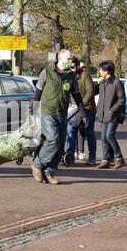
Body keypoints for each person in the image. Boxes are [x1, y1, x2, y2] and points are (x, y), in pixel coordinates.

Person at [31, 49, 89, 185]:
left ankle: (49, 172)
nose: (71, 61)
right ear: (60, 58)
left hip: (62, 113)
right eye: (68, 59)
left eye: (72, 59)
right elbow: (37, 94)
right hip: (47, 111)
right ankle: (37, 164)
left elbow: (77, 96)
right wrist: (33, 113)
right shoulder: (46, 72)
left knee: (60, 146)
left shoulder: (71, 76)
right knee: (53, 139)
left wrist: (83, 114)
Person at [96, 60, 126, 170]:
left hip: (113, 115)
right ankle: (105, 160)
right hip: (102, 114)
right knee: (103, 137)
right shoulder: (103, 82)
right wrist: (98, 83)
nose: (99, 71)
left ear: (107, 71)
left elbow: (122, 99)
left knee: (109, 136)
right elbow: (95, 92)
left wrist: (112, 110)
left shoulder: (117, 82)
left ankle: (119, 158)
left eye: (101, 69)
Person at [66, 60, 97, 165]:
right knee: (71, 131)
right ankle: (69, 155)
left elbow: (90, 91)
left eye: (73, 67)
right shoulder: (69, 76)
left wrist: (81, 105)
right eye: (69, 67)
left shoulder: (85, 76)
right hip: (74, 109)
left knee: (89, 133)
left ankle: (92, 157)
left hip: (88, 109)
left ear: (78, 66)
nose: (72, 69)